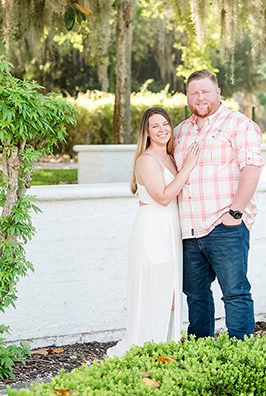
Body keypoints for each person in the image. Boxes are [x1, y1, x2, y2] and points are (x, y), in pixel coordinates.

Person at [173, 70, 263, 340]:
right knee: (196, 296)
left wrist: (235, 213)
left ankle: (241, 352)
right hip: (189, 229)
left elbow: (252, 168)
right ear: (187, 96)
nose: (200, 98)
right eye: (194, 93)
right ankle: (202, 351)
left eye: (205, 92)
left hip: (225, 226)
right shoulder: (179, 131)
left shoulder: (238, 124)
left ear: (218, 93)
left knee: (235, 292)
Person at [107, 107, 200, 357]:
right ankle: (146, 345)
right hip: (153, 231)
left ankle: (164, 345)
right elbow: (163, 196)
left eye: (165, 124)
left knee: (170, 293)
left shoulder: (170, 156)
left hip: (170, 230)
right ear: (146, 133)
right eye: (155, 126)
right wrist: (188, 167)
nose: (162, 130)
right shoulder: (147, 160)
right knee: (157, 290)